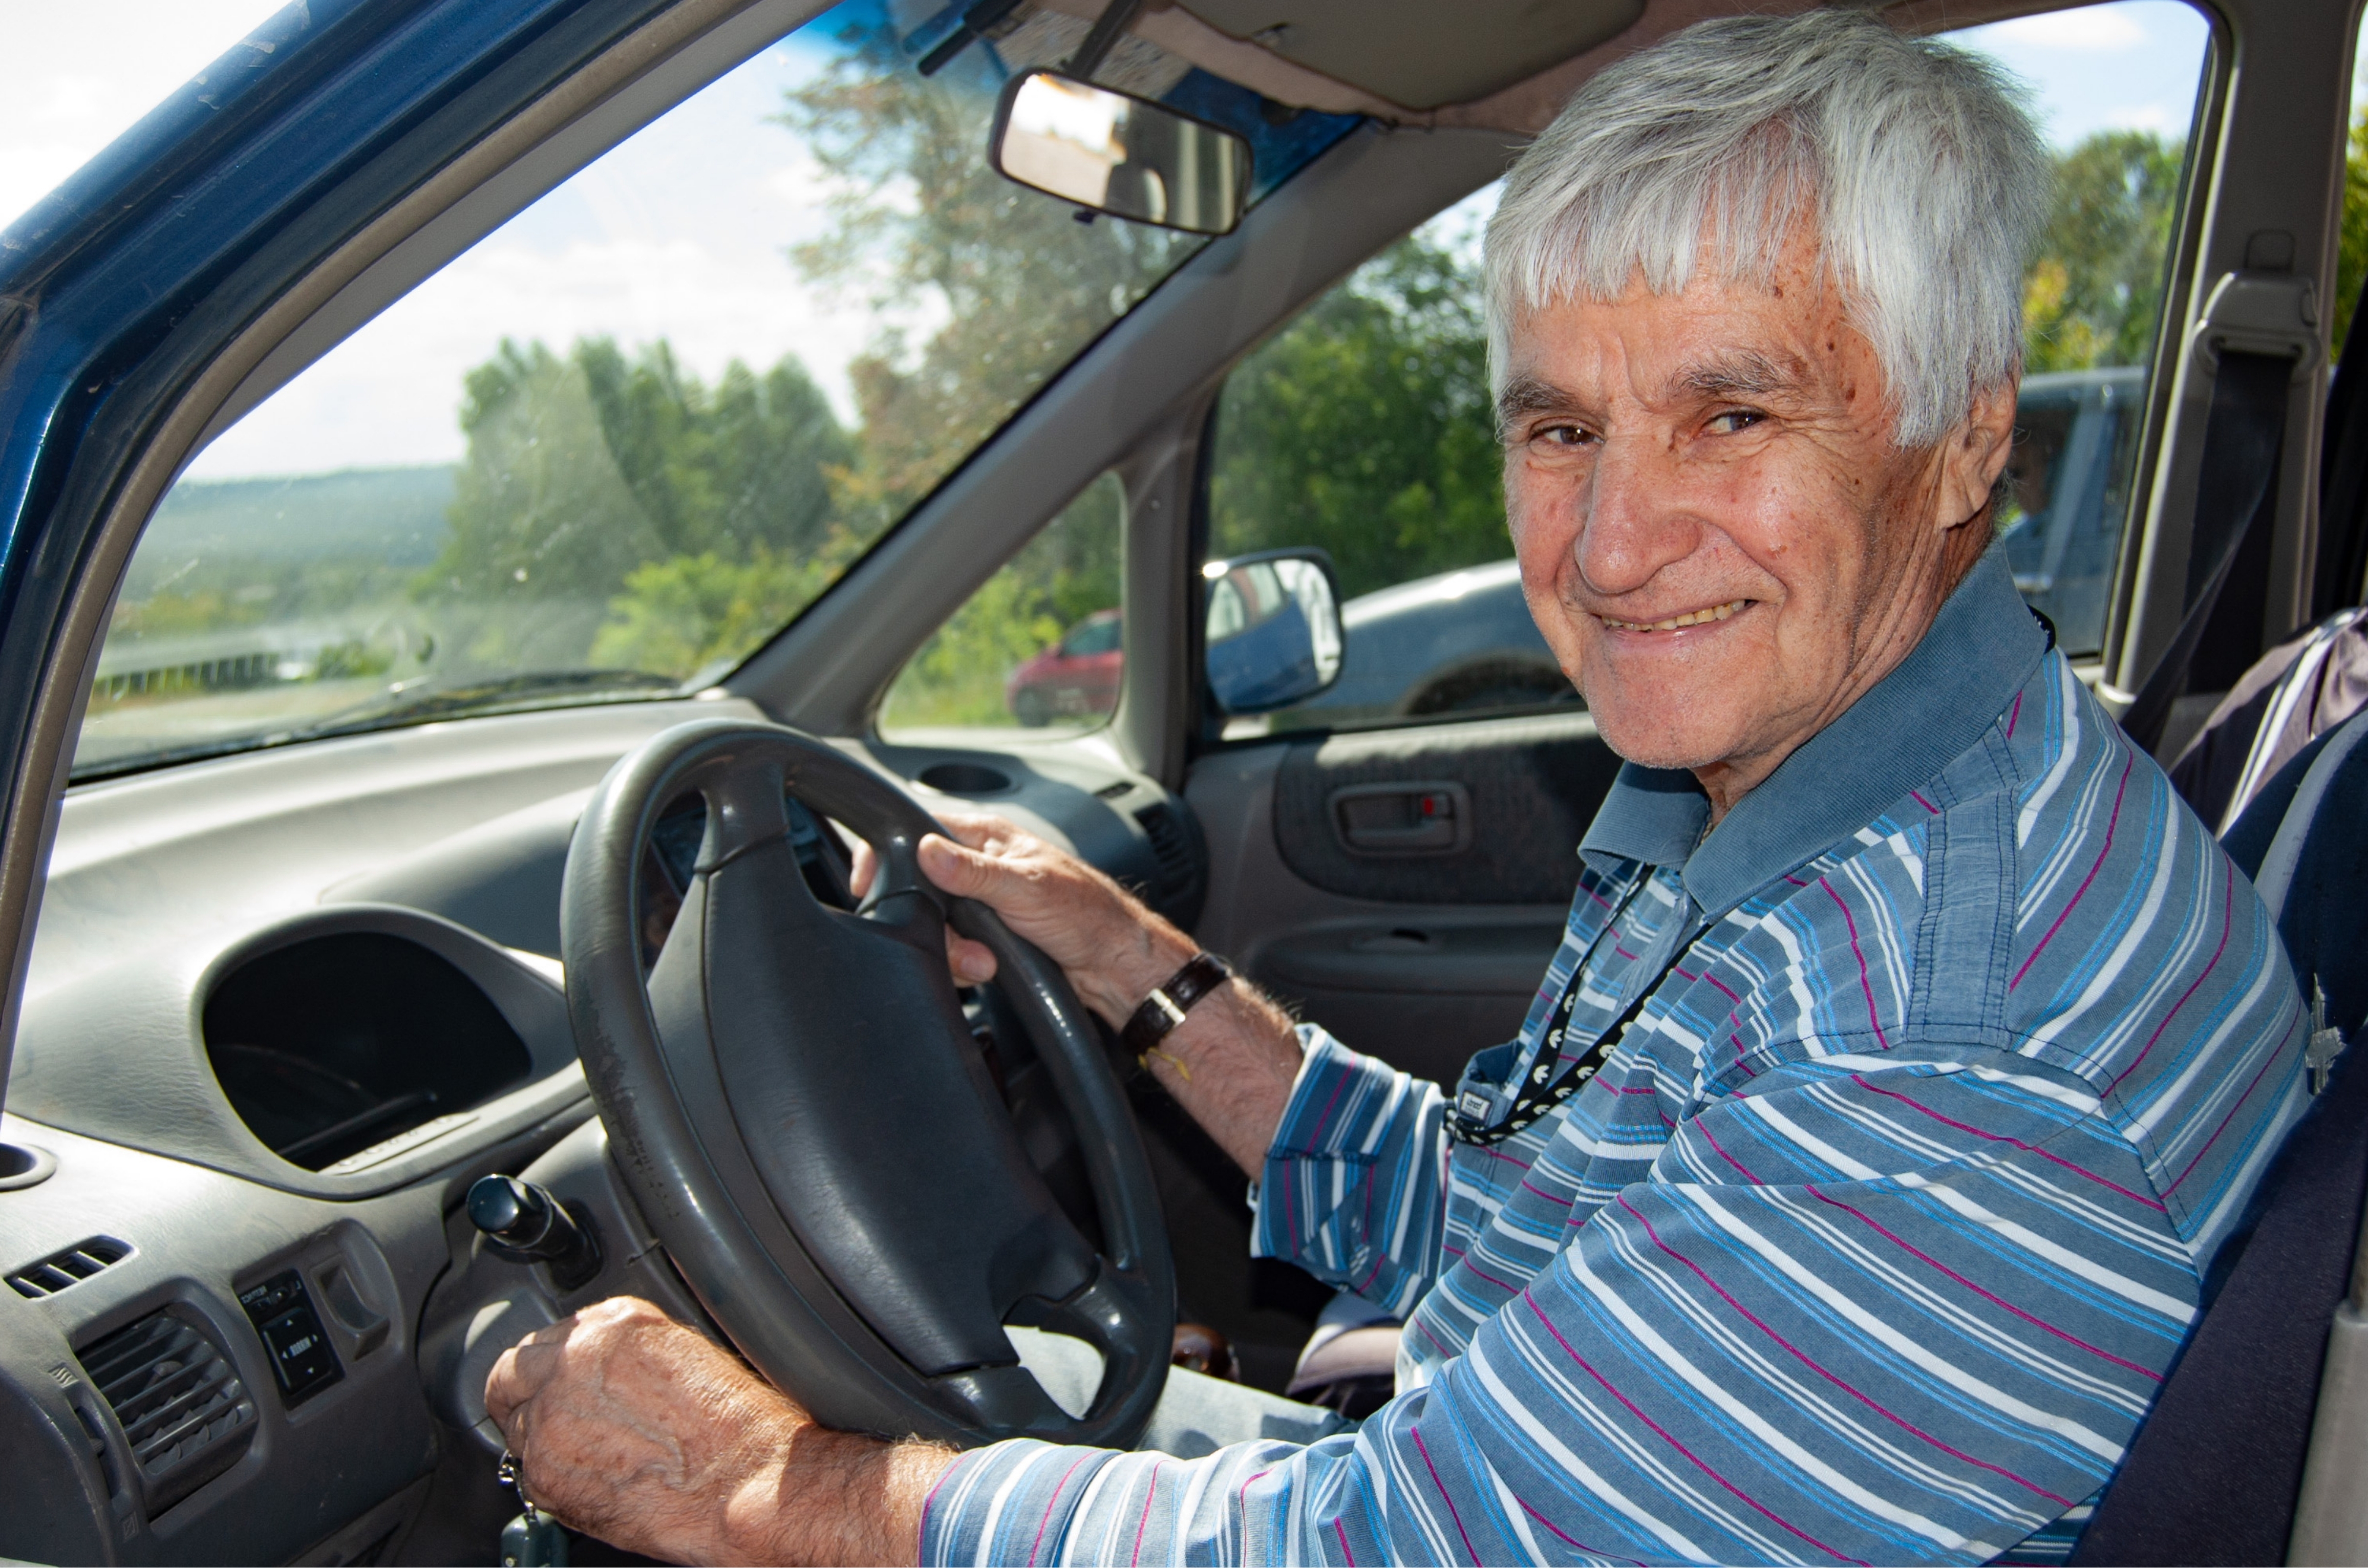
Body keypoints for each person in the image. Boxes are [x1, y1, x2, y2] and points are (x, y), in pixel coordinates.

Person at [484, 12, 2310, 1564]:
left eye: (1729, 417)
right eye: (1559, 428)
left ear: (1962, 432)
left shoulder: (1935, 1057)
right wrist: (1129, 967)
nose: (1606, 548)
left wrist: (734, 1486)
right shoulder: (1826, 797)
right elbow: (1507, 1212)